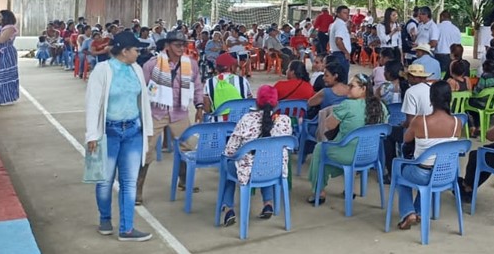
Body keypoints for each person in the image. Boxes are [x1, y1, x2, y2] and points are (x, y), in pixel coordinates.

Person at [84, 31, 154, 241]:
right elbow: (93, 103)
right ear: (124, 51)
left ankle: (127, 228)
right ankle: (105, 219)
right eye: (136, 50)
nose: (138, 53)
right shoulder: (102, 70)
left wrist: (147, 131)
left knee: (129, 181)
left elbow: (143, 101)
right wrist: (92, 135)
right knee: (105, 180)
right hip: (109, 132)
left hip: (133, 131)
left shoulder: (137, 69)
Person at [139, 31, 204, 205]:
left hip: (179, 112)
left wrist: (199, 106)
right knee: (146, 149)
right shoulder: (152, 65)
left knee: (188, 146)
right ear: (167, 46)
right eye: (177, 45)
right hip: (157, 112)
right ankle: (137, 188)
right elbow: (142, 90)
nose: (181, 48)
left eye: (184, 45)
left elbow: (197, 86)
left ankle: (184, 180)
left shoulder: (191, 64)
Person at [217, 85, 294, 226]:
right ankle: (268, 203)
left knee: (228, 165)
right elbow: (289, 146)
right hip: (275, 170)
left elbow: (230, 150)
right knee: (265, 161)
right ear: (277, 103)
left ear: (256, 102)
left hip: (249, 172)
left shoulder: (247, 120)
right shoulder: (285, 121)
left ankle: (228, 208)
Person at [393, 80, 462, 230]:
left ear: (431, 99)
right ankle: (418, 212)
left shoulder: (420, 122)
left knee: (398, 172)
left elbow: (406, 139)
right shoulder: (457, 122)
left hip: (421, 173)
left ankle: (408, 213)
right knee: (432, 174)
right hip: (446, 174)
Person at [308, 74, 386, 205]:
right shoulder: (380, 106)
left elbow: (329, 125)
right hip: (370, 155)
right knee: (339, 150)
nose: (348, 88)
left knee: (319, 149)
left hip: (348, 154)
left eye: (352, 86)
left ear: (363, 89)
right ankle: (349, 189)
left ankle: (319, 191)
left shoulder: (348, 105)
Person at [435, 11, 460, 77]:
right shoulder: (456, 29)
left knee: (440, 75)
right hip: (453, 55)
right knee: (451, 75)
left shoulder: (437, 27)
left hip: (440, 55)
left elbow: (434, 41)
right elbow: (458, 45)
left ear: (442, 17)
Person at [330, 5, 352, 78]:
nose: (347, 15)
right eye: (344, 13)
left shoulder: (336, 23)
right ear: (338, 14)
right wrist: (345, 52)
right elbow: (338, 40)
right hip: (341, 55)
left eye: (348, 13)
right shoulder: (340, 24)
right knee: (342, 79)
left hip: (337, 54)